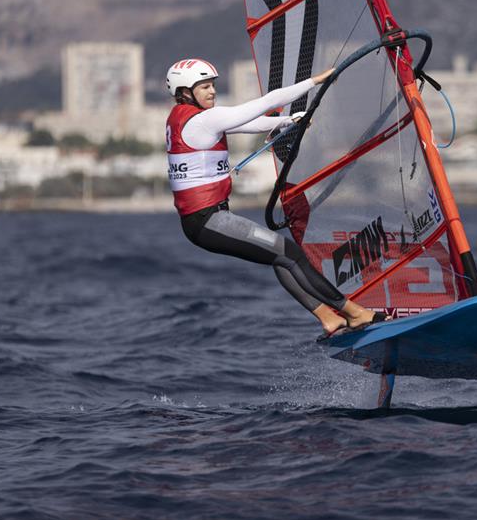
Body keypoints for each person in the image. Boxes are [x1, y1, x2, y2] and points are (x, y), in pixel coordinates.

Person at [165, 58, 386, 336]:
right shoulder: (203, 119)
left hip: (204, 222)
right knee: (290, 253)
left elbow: (250, 124)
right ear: (185, 92)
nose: (212, 92)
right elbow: (266, 102)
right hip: (208, 221)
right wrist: (316, 81)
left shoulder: (184, 119)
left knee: (279, 257)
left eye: (212, 86)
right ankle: (355, 313)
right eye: (205, 87)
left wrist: (286, 121)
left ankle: (328, 318)